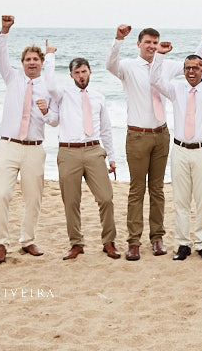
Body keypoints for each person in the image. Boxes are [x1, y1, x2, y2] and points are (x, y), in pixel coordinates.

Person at [106, 25, 202, 261]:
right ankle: (133, 242)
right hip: (137, 135)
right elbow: (110, 64)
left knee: (157, 189)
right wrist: (118, 39)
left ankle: (157, 238)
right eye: (148, 42)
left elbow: (193, 65)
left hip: (161, 135)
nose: (152, 46)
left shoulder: (166, 65)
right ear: (139, 44)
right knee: (136, 190)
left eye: (155, 43)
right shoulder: (128, 67)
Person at [43, 42, 120, 261]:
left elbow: (106, 129)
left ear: (90, 71)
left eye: (83, 71)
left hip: (94, 150)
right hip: (68, 153)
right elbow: (49, 85)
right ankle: (76, 244)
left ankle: (109, 242)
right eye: (76, 73)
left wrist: (112, 157)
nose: (81, 75)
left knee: (106, 198)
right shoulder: (62, 94)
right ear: (71, 75)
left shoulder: (99, 97)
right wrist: (49, 56)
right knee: (71, 201)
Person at [0, 15, 57, 264]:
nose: (31, 63)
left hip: (34, 149)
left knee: (33, 198)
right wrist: (4, 31)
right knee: (1, 193)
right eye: (27, 60)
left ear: (41, 62)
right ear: (22, 63)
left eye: (36, 59)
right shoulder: (13, 78)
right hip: (8, 145)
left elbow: (55, 121)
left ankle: (27, 240)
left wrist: (46, 112)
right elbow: (0, 56)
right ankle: (0, 244)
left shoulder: (49, 87)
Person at [151, 51, 202, 261]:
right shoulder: (176, 89)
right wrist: (159, 55)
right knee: (181, 201)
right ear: (183, 71)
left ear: (201, 69)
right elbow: (155, 79)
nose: (191, 71)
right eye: (187, 68)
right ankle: (183, 244)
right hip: (180, 150)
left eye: (195, 67)